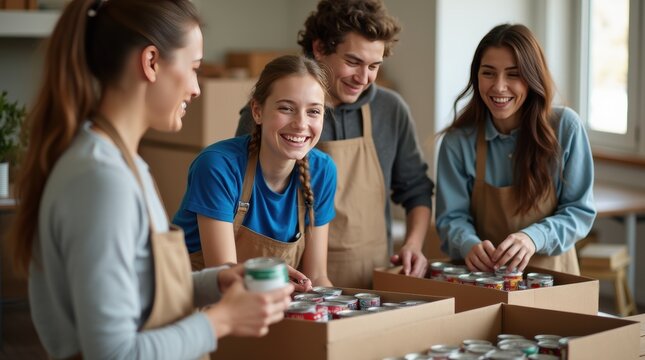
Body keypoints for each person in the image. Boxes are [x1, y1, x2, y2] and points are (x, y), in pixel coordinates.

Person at [7, 1, 299, 358]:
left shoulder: (124, 165)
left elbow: (138, 289)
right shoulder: (101, 181)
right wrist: (221, 321)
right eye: (193, 68)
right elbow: (114, 352)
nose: (196, 88)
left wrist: (216, 282)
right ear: (150, 62)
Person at [235, 0, 434, 288]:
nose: (363, 78)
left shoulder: (391, 110)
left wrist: (413, 245)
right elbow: (248, 199)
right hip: (299, 286)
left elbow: (416, 188)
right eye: (352, 62)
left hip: (373, 280)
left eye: (374, 66)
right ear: (319, 48)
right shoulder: (276, 116)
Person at [435, 23, 597, 275]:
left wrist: (534, 237)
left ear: (533, 78)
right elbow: (450, 219)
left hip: (554, 280)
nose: (499, 87)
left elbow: (579, 212)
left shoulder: (566, 128)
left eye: (514, 74)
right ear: (476, 77)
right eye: (488, 73)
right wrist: (468, 244)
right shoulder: (457, 142)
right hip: (483, 280)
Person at [173, 55, 336, 287]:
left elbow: (317, 276)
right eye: (286, 108)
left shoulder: (322, 170)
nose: (301, 123)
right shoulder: (218, 167)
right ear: (257, 111)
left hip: (267, 304)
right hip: (198, 306)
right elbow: (223, 280)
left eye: (313, 111)